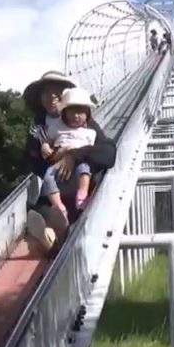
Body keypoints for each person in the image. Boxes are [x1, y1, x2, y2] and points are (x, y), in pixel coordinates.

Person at [22, 70, 117, 253]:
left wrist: (73, 155)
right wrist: (54, 156)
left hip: (80, 185)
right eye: (46, 92)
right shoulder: (39, 127)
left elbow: (108, 152)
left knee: (78, 214)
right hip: (54, 187)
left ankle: (59, 234)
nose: (52, 97)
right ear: (40, 98)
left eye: (57, 91)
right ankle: (51, 235)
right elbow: (33, 160)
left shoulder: (82, 121)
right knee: (43, 210)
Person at [38, 87, 98, 217]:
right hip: (58, 163)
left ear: (87, 114)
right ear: (64, 113)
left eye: (80, 112)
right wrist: (45, 147)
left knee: (84, 169)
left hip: (79, 161)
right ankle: (58, 205)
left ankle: (82, 195)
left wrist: (73, 154)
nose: (76, 116)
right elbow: (47, 141)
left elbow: (93, 151)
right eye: (72, 112)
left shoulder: (90, 133)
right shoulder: (57, 128)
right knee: (48, 176)